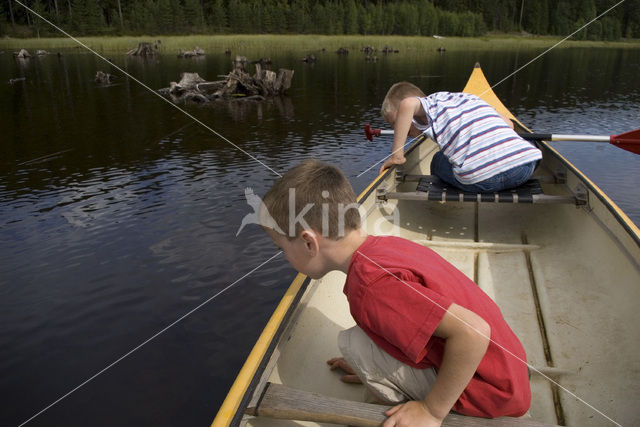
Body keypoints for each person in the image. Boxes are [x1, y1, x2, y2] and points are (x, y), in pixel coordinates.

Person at [259, 159, 531, 427]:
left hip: (489, 397)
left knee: (355, 344)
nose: (284, 256)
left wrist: (431, 411)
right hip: (506, 378)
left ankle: (417, 410)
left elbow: (474, 332)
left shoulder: (371, 285)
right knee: (367, 340)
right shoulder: (384, 246)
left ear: (309, 242)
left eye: (281, 248)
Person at [379, 82, 542, 193]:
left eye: (398, 121)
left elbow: (407, 104)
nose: (400, 129)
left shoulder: (426, 105)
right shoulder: (466, 99)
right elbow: (509, 125)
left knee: (438, 159)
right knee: (529, 142)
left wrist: (396, 155)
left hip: (482, 181)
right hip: (523, 170)